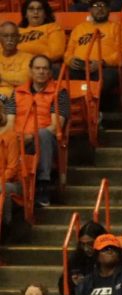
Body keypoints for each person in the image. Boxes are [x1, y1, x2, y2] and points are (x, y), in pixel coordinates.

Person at [13, 53, 65, 207]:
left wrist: (31, 136)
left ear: (50, 73)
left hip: (46, 142)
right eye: (37, 68)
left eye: (45, 69)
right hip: (19, 140)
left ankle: (43, 184)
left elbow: (57, 125)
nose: (41, 72)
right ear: (30, 71)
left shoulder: (59, 93)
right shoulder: (16, 92)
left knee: (43, 134)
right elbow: (9, 121)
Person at [64, 0, 122, 107]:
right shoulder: (79, 28)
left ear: (109, 9)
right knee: (56, 73)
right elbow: (68, 52)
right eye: (96, 6)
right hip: (79, 68)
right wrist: (70, 60)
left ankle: (94, 111)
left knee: (106, 78)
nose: (100, 9)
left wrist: (103, 62)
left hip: (104, 68)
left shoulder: (118, 28)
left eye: (103, 5)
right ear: (89, 10)